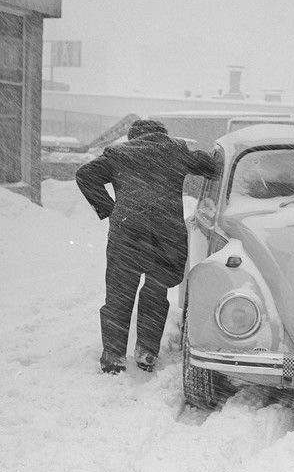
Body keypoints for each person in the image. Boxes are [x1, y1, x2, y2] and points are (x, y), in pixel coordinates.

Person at [76, 119, 217, 374]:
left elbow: (85, 175)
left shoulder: (120, 154)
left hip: (128, 231)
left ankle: (113, 355)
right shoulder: (175, 152)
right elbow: (209, 166)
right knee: (155, 290)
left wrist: (110, 209)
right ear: (162, 135)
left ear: (133, 137)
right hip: (166, 233)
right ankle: (146, 352)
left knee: (119, 293)